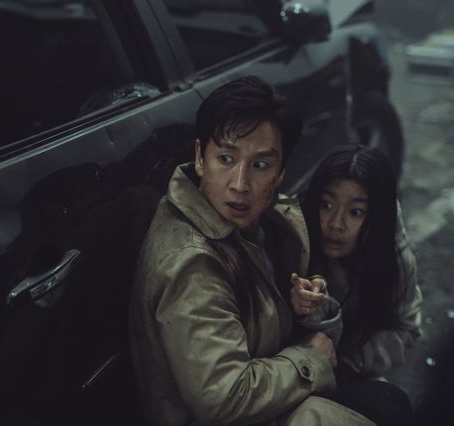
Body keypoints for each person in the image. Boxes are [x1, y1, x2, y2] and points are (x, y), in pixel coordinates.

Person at [129, 76, 372, 425]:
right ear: (200, 158)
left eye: (260, 165)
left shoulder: (263, 222)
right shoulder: (192, 264)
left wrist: (304, 303)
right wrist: (310, 359)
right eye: (226, 158)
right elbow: (223, 399)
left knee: (385, 401)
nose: (240, 184)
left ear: (280, 172)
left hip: (270, 395)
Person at [293, 144, 422, 424]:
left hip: (353, 371)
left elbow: (407, 329)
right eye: (327, 205)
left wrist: (349, 359)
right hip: (292, 374)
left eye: (356, 212)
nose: (336, 224)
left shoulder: (393, 259)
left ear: (376, 217)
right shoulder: (295, 239)